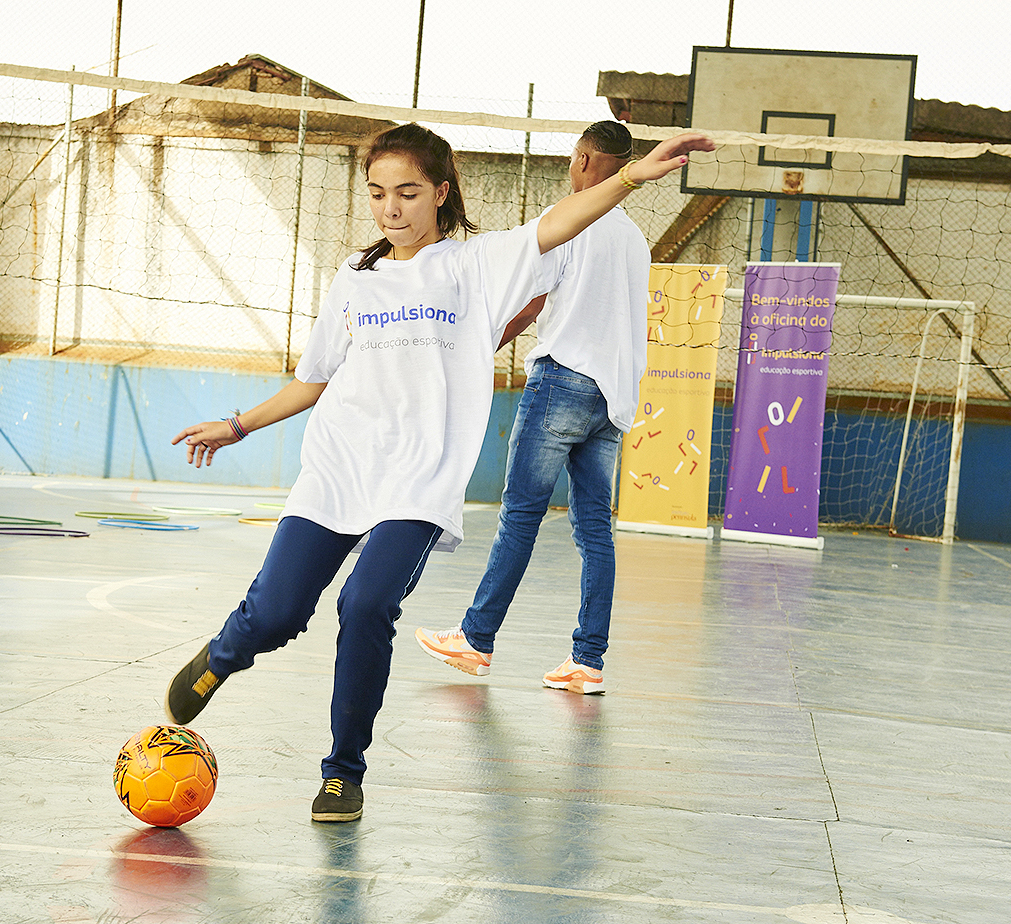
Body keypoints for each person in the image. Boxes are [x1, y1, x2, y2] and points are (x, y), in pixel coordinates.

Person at [164, 123, 713, 822]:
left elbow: (561, 220)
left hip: (418, 482)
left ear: (440, 193)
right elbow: (313, 381)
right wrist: (237, 425)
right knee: (276, 613)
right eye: (377, 195)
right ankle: (224, 651)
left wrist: (633, 177)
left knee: (365, 606)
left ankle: (342, 772)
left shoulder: (476, 265)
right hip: (337, 469)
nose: (391, 209)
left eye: (407, 193)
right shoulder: (353, 279)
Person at [413, 122, 657, 695]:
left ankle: (476, 640)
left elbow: (531, 298)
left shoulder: (572, 218)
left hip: (562, 382)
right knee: (596, 530)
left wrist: (478, 344)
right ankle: (588, 662)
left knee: (520, 516)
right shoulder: (636, 241)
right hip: (613, 398)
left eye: (575, 160)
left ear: (587, 160)